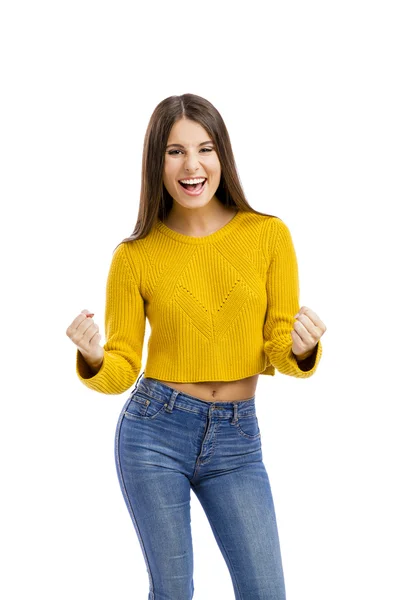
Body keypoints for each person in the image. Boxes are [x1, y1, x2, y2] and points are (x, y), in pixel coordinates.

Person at [66, 93, 326, 600]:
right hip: (154, 432)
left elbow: (277, 344)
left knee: (265, 590)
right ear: (156, 164)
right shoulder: (134, 256)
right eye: (174, 151)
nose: (192, 165)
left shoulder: (269, 236)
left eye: (204, 149)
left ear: (222, 156)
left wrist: (301, 349)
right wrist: (94, 358)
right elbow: (122, 366)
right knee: (173, 592)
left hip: (237, 439)